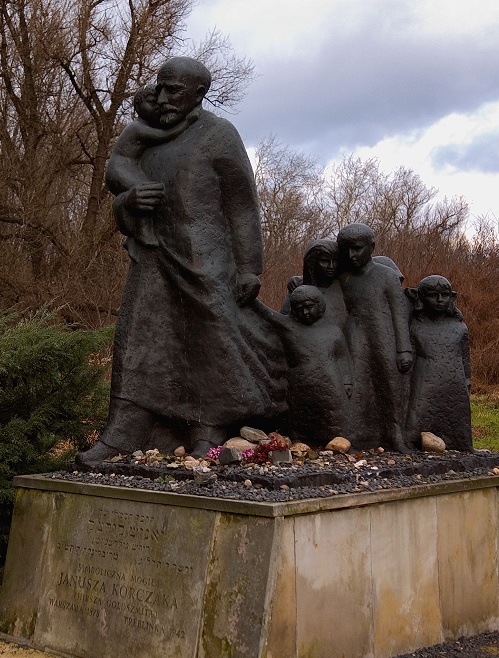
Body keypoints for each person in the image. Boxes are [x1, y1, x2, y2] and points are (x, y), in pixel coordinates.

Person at [78, 57, 286, 465]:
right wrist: (128, 201)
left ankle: (206, 431)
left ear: (198, 93)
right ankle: (123, 429)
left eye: (173, 89)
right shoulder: (147, 134)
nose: (162, 97)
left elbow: (242, 205)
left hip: (205, 259)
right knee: (136, 337)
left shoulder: (219, 135)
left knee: (209, 341)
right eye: (159, 87)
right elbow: (118, 176)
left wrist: (249, 267)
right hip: (153, 255)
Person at [337, 223, 413, 452]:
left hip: (384, 337)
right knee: (358, 387)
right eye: (346, 250)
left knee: (391, 385)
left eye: (357, 248)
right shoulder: (343, 278)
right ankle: (360, 435)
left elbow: (400, 314)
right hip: (355, 337)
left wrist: (404, 349)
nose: (351, 255)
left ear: (371, 247)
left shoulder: (387, 276)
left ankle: (395, 434)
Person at [105, 85, 200, 255]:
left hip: (129, 166)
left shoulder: (147, 126)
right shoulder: (137, 128)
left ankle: (141, 233)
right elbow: (163, 136)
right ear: (139, 106)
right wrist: (188, 122)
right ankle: (142, 232)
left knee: (148, 193)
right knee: (146, 192)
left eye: (157, 103)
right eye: (151, 103)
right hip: (119, 168)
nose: (157, 106)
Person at [254, 286, 353, 446]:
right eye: (300, 309)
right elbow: (268, 314)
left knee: (332, 415)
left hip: (330, 384)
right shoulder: (289, 327)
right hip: (299, 384)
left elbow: (342, 357)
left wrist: (347, 381)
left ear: (319, 305)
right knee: (300, 416)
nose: (305, 313)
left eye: (309, 307)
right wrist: (253, 298)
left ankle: (335, 442)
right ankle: (300, 441)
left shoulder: (333, 331)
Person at [404, 275, 473, 452]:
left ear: (451, 297)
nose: (440, 300)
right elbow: (409, 361)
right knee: (418, 415)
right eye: (433, 295)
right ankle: (413, 444)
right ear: (421, 298)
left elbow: (464, 357)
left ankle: (462, 444)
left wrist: (467, 380)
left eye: (444, 295)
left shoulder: (459, 327)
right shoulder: (415, 327)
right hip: (424, 383)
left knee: (458, 415)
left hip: (455, 382)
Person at [280, 238, 348, 329]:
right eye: (324, 261)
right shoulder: (299, 287)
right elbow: (283, 323)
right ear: (312, 262)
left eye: (335, 261)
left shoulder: (344, 286)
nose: (331, 266)